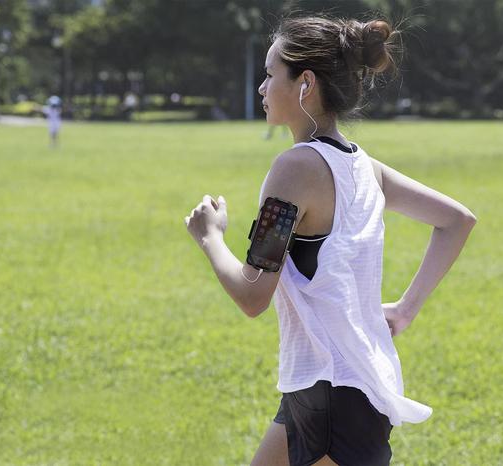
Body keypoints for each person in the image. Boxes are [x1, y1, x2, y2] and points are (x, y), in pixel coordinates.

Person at [184, 15, 477, 466]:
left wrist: (210, 237)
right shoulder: (366, 167)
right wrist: (404, 309)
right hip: (335, 383)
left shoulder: (293, 169)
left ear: (304, 82)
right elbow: (456, 221)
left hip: (333, 397)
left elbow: (252, 295)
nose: (262, 88)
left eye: (269, 74)